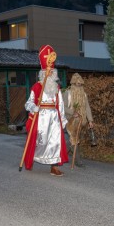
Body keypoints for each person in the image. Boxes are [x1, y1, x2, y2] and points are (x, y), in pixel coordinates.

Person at [23, 45, 68, 176]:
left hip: (54, 118)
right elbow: (28, 103)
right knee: (40, 141)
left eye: (52, 71)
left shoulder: (57, 87)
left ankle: (54, 167)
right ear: (43, 73)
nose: (50, 73)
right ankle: (35, 157)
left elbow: (60, 104)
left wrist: (63, 119)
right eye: (47, 71)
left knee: (55, 141)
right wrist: (33, 107)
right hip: (41, 117)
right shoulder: (37, 87)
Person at [63, 73, 94, 167]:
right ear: (73, 83)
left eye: (80, 85)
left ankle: (61, 153)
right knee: (74, 138)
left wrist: (90, 120)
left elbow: (87, 107)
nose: (79, 86)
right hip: (70, 120)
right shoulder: (67, 93)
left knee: (74, 139)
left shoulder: (84, 94)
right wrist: (72, 112)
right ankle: (78, 160)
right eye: (77, 84)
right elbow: (63, 107)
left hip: (81, 121)